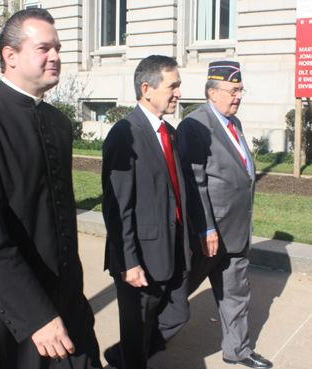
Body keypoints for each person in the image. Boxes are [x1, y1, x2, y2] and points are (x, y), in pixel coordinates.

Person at [0, 9, 102, 369]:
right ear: (10, 56)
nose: (56, 56)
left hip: (63, 294)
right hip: (3, 305)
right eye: (44, 47)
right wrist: (35, 315)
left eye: (58, 47)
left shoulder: (57, 122)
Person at [177, 61, 273, 369]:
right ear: (212, 92)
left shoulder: (235, 123)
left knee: (236, 295)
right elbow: (194, 182)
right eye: (233, 91)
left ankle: (238, 351)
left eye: (240, 90)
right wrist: (206, 229)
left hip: (236, 230)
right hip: (209, 235)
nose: (238, 97)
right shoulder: (195, 125)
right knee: (176, 296)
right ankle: (139, 346)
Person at [102, 55, 191, 369]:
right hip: (139, 257)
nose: (178, 93)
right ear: (147, 89)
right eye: (173, 86)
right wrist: (129, 262)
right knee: (137, 330)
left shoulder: (170, 132)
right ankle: (130, 356)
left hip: (172, 247)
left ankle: (122, 355)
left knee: (178, 313)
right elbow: (117, 207)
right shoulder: (125, 134)